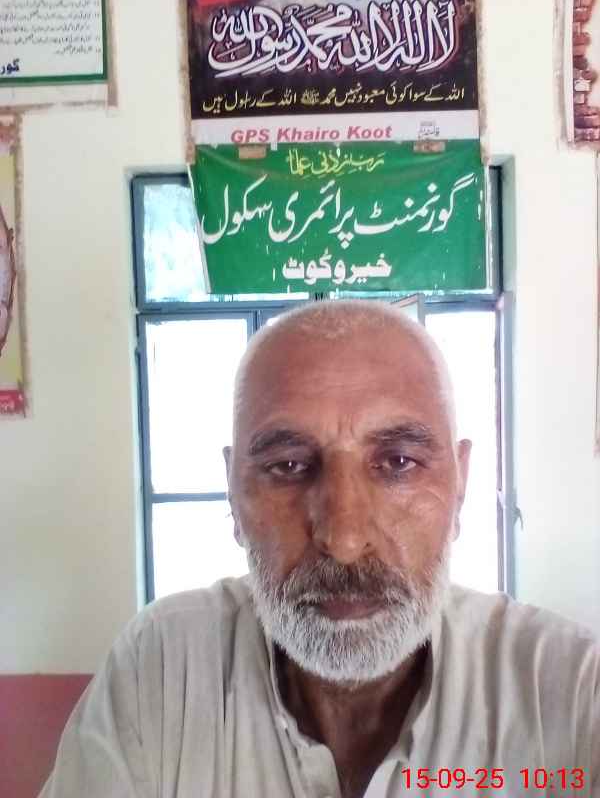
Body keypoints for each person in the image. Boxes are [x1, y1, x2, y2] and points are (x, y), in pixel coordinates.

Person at [40, 300, 600, 798]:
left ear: (460, 487)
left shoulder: (568, 691)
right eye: (288, 466)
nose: (345, 540)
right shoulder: (163, 672)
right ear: (233, 494)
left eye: (398, 462)